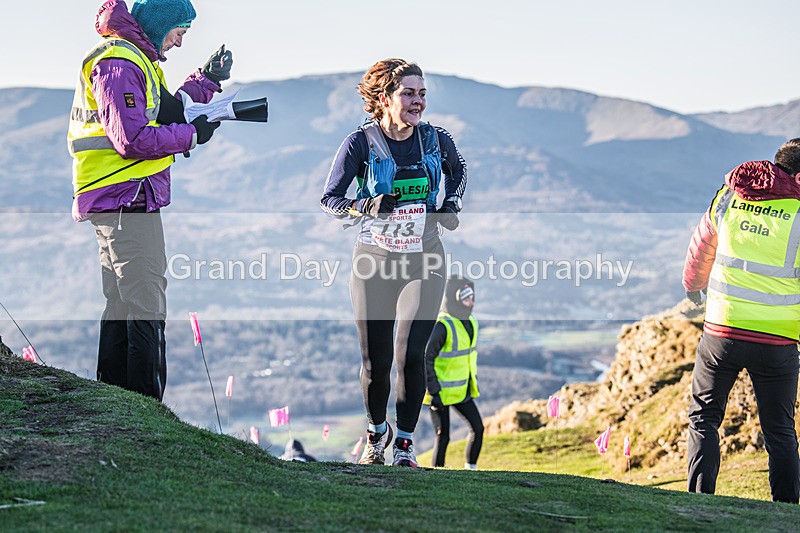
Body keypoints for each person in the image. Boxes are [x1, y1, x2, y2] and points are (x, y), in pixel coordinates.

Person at [68, 0, 233, 401]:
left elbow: (168, 110)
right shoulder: (120, 63)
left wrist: (206, 80)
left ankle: (114, 399)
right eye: (179, 32)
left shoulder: (135, 59)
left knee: (123, 303)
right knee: (146, 302)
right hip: (126, 195)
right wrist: (191, 136)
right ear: (159, 25)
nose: (179, 42)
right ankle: (145, 404)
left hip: (120, 196)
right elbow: (132, 139)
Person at [320, 58, 467, 467]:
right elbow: (330, 199)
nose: (418, 101)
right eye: (408, 93)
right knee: (376, 362)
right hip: (374, 262)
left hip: (425, 259)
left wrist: (450, 204)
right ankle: (375, 436)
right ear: (384, 98)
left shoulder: (436, 139)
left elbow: (459, 172)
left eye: (422, 94)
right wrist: (366, 205)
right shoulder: (360, 143)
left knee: (410, 356)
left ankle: (404, 445)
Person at [682, 138, 800, 503]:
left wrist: (693, 286)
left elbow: (702, 244)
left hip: (723, 330)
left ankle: (699, 501)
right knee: (780, 431)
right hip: (778, 340)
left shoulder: (730, 196)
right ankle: (786, 508)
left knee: (703, 419)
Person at [424, 277, 484, 469]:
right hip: (439, 394)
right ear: (454, 299)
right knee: (443, 437)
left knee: (478, 429)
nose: (471, 302)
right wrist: (434, 391)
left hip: (461, 391)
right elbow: (426, 359)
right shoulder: (442, 326)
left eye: (472, 297)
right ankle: (437, 476)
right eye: (466, 298)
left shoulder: (471, 322)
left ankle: (471, 471)